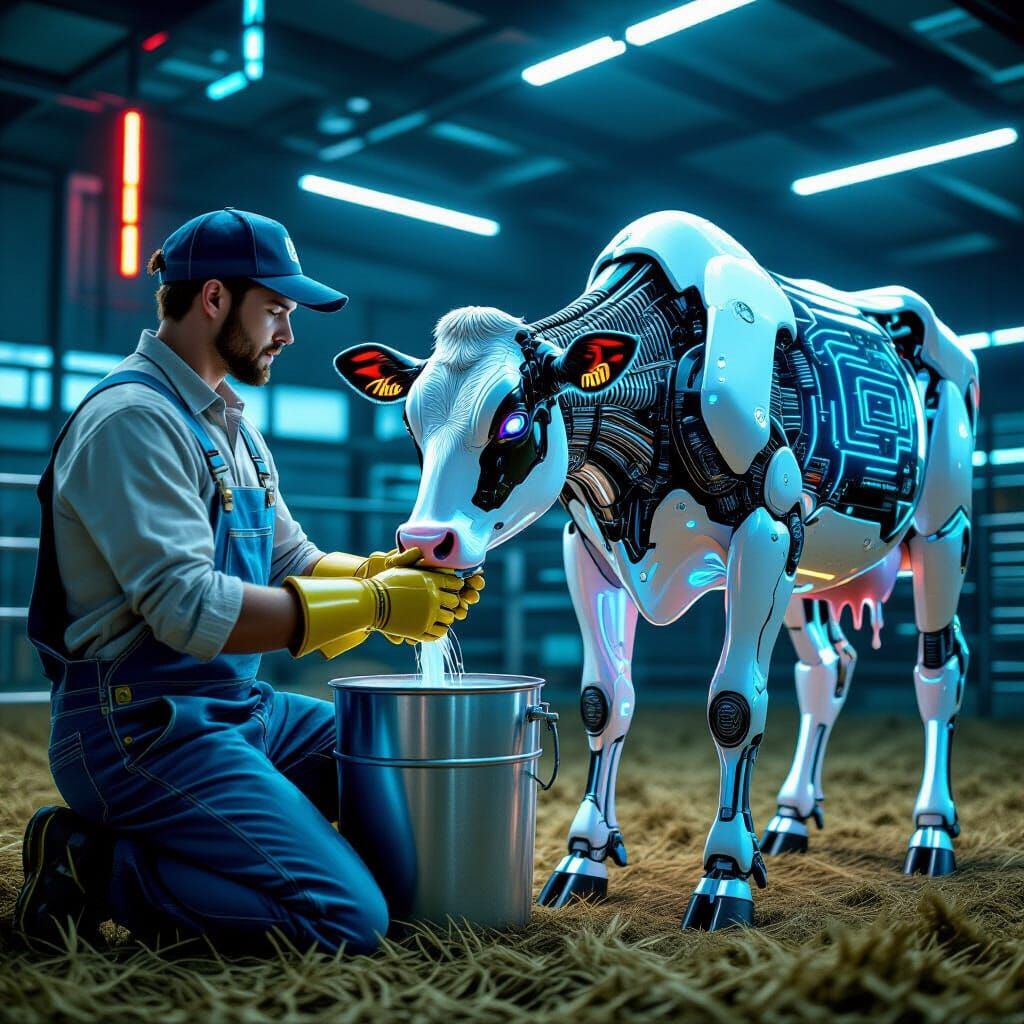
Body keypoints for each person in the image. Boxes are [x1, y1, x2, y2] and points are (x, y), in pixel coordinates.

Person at [13, 208, 483, 955]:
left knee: (396, 757)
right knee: (346, 921)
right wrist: (375, 604)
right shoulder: (133, 421)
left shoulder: (231, 426)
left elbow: (292, 559)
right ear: (214, 299)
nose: (288, 333)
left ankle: (236, 850)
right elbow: (188, 609)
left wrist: (384, 573)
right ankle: (98, 866)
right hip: (136, 728)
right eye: (276, 310)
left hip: (237, 707)